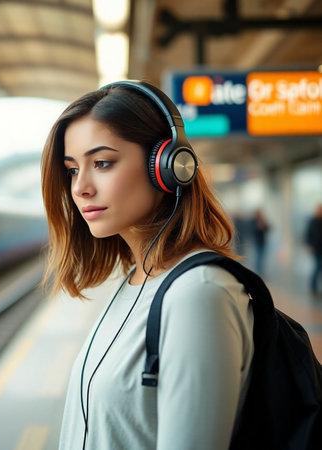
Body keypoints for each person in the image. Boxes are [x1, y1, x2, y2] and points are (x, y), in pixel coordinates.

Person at [41, 80, 254, 450]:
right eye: (73, 169)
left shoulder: (199, 295)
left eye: (102, 163)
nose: (80, 188)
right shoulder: (134, 281)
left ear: (168, 166)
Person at [305, 203, 322, 297]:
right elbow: (308, 234)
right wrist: (310, 245)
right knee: (317, 268)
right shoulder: (313, 221)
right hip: (316, 248)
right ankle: (313, 288)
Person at [249, 208, 269, 276]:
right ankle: (258, 272)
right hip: (256, 241)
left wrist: (264, 225)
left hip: (263, 241)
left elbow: (268, 229)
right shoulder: (253, 221)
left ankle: (261, 271)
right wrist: (258, 227)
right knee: (258, 257)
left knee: (262, 257)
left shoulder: (262, 220)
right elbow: (251, 230)